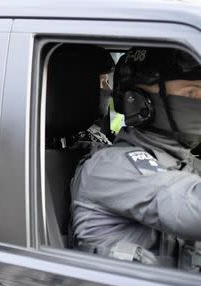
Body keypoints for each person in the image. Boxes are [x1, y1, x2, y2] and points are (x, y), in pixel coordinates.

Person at [71, 47, 201, 270]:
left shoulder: (184, 162)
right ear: (137, 100)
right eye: (191, 94)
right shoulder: (109, 167)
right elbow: (190, 208)